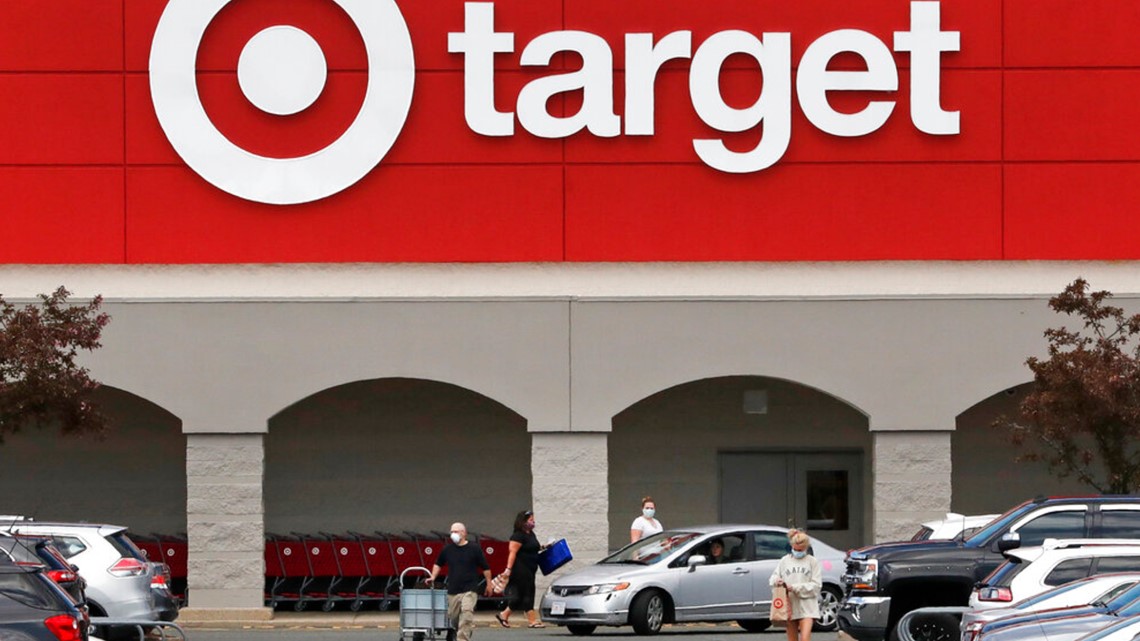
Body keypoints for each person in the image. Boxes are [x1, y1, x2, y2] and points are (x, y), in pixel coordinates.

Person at [429, 523, 492, 641]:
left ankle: (463, 638)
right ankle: (465, 629)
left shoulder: (474, 548)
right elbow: (438, 563)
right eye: (452, 531)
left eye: (456, 532)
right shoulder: (447, 549)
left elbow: (485, 567)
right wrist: (433, 577)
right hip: (453, 590)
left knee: (467, 613)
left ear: (464, 533)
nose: (453, 534)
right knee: (454, 618)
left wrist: (489, 583)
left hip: (470, 588)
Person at [769, 529, 822, 641]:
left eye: (800, 550)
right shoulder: (784, 561)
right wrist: (777, 581)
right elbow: (773, 578)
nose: (798, 552)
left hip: (807, 606)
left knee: (805, 638)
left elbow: (816, 586)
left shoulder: (812, 562)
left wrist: (794, 587)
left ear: (806, 548)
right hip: (790, 606)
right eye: (795, 549)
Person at [496, 510, 544, 628]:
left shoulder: (531, 534)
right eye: (530, 520)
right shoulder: (517, 535)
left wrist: (545, 547)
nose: (533, 522)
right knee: (528, 593)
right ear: (523, 522)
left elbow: (533, 548)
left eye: (533, 520)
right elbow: (512, 553)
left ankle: (504, 615)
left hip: (531, 568)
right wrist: (508, 569)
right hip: (521, 569)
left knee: (519, 596)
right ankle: (532, 621)